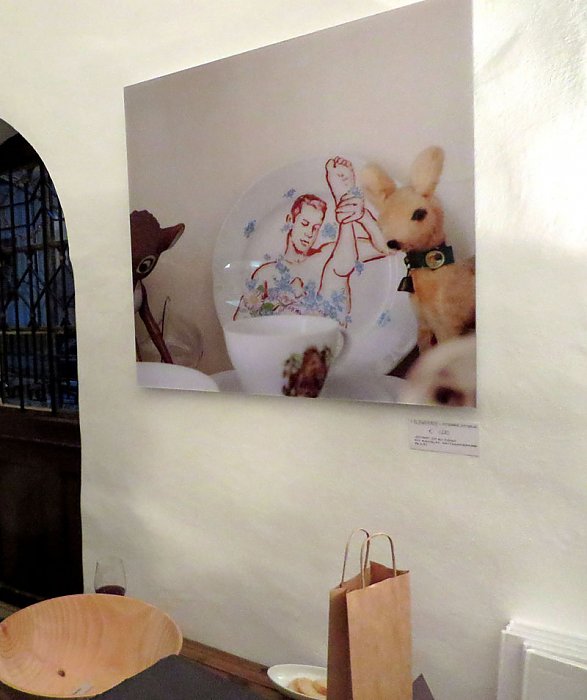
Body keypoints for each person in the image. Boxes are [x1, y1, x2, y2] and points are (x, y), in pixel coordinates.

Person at [234, 157, 385, 325]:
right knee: (336, 267)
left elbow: (389, 247)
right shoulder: (267, 273)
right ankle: (345, 208)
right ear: (290, 220)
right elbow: (241, 322)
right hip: (291, 338)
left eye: (316, 227)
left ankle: (346, 210)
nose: (309, 233)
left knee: (334, 267)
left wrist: (363, 216)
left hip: (333, 332)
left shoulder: (330, 252)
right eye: (305, 224)